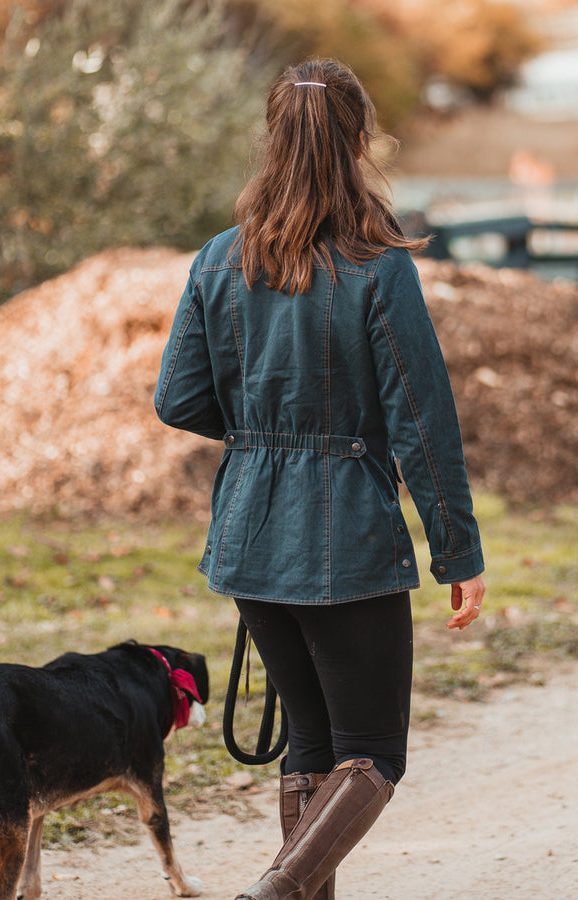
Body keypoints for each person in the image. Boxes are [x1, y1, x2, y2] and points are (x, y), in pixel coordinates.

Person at [155, 58, 485, 900]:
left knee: (311, 744)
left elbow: (178, 397)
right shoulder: (379, 266)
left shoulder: (220, 258)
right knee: (372, 751)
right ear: (360, 140)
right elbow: (422, 418)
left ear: (273, 140)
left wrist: (269, 437)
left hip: (249, 532)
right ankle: (272, 892)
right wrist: (459, 553)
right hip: (348, 535)